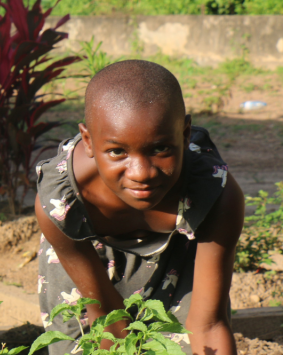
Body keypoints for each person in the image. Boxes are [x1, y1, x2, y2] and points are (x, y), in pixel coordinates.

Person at [35, 60, 243, 355]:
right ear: (88, 140)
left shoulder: (213, 195)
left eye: (160, 149)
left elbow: (208, 325)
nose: (141, 173)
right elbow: (108, 321)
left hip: (179, 257)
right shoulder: (62, 205)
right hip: (89, 256)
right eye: (117, 151)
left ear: (185, 134)